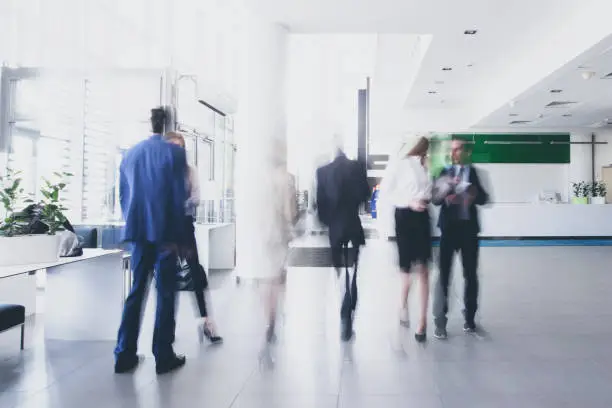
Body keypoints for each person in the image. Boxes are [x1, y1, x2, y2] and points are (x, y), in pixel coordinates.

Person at [113, 107, 188, 375]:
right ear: (168, 125)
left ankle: (124, 354)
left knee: (136, 292)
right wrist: (178, 237)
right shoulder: (175, 153)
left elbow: (124, 197)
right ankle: (163, 355)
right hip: (165, 234)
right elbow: (178, 197)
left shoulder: (130, 154)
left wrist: (135, 225)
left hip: (138, 233)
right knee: (166, 294)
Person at [164, 132, 223, 345]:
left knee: (195, 273)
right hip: (166, 230)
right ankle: (167, 328)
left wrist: (176, 206)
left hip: (185, 227)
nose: (176, 151)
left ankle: (207, 322)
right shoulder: (161, 172)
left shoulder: (190, 172)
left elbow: (196, 199)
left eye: (179, 146)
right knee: (168, 278)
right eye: (172, 146)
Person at [432, 139, 489, 339]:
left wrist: (473, 194)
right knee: (444, 276)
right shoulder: (443, 172)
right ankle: (440, 322)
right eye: (452, 149)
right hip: (448, 231)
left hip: (469, 231)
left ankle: (470, 319)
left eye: (458, 149)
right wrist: (447, 189)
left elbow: (485, 198)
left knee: (470, 276)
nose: (454, 152)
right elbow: (435, 200)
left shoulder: (474, 173)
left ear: (465, 152)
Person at [379, 136, 432, 342]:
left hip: (423, 216)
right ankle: (402, 305)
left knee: (424, 269)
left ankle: (422, 322)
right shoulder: (401, 165)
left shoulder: (427, 166)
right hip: (405, 216)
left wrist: (429, 194)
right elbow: (387, 192)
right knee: (406, 270)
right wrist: (409, 202)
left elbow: (429, 192)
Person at [316, 148, 370, 342]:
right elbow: (366, 194)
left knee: (340, 269)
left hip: (335, 228)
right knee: (354, 267)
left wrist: (329, 221)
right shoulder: (356, 167)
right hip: (353, 224)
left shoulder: (323, 171)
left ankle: (344, 302)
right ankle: (350, 301)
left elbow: (320, 205)